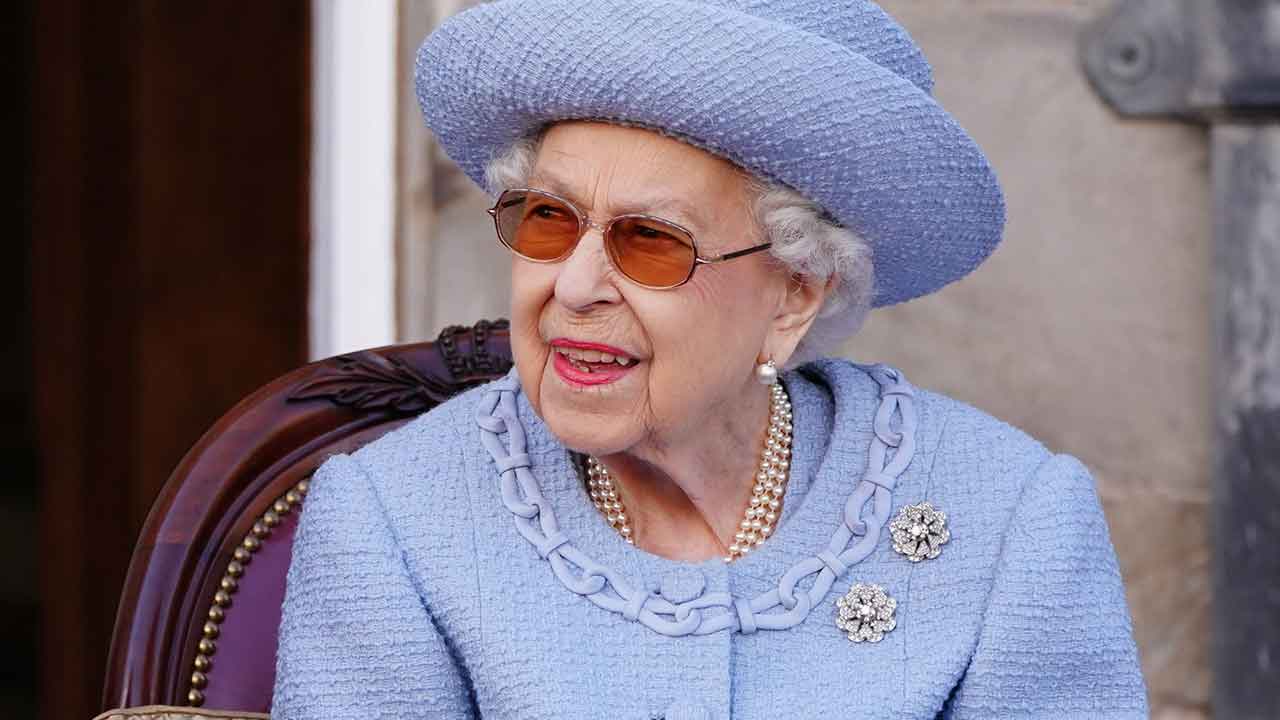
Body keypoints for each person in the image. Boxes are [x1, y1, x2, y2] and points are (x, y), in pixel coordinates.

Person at [272, 1, 1149, 717]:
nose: (574, 286)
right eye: (547, 220)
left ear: (795, 294)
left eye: (651, 240)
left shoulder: (1012, 521)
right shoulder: (393, 522)